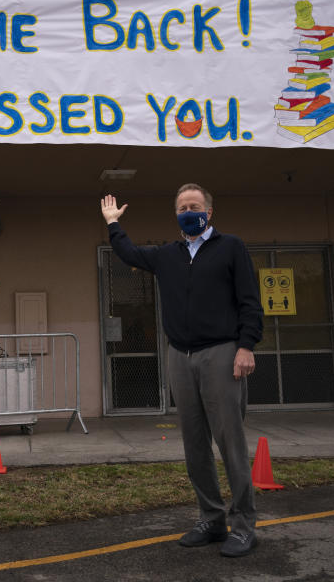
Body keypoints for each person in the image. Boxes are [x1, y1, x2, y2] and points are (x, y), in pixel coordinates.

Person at [100, 184, 263, 558]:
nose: (189, 211)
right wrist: (113, 224)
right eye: (182, 207)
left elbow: (249, 301)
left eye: (195, 205)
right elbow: (128, 252)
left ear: (209, 211)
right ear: (175, 215)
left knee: (230, 443)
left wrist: (246, 346)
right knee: (194, 445)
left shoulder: (231, 247)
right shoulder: (167, 255)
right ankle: (212, 518)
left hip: (221, 353)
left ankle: (243, 525)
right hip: (180, 355)